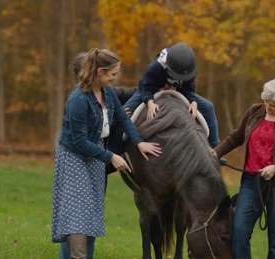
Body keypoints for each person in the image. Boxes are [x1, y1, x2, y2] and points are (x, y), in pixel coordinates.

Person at [51, 48, 162, 259]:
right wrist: (111, 156)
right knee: (76, 217)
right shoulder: (78, 100)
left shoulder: (107, 93)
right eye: (112, 74)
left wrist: (139, 143)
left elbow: (122, 119)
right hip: (74, 158)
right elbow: (79, 141)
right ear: (99, 72)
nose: (115, 78)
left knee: (90, 217)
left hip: (94, 157)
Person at [213, 78, 275, 259]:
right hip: (251, 182)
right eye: (267, 102)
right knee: (239, 232)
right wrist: (215, 153)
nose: (268, 107)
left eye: (274, 105)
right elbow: (236, 137)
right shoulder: (254, 112)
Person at [123, 43, 221, 147]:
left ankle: (215, 147)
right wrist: (150, 102)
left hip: (178, 91)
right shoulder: (155, 67)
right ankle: (115, 149)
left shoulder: (189, 69)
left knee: (208, 107)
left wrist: (193, 101)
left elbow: (189, 88)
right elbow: (146, 86)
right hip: (151, 91)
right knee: (123, 112)